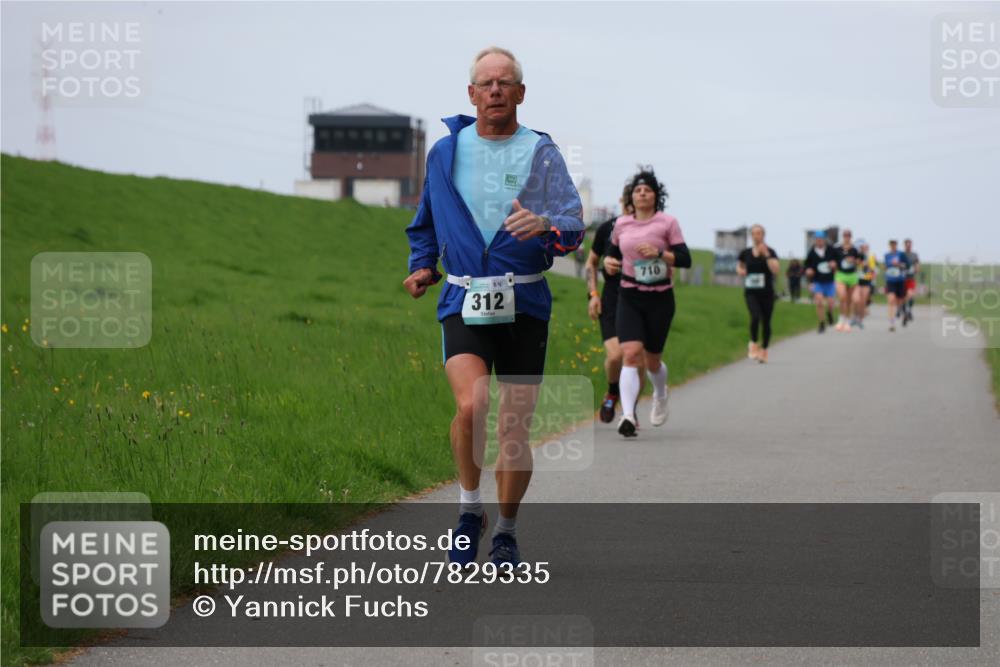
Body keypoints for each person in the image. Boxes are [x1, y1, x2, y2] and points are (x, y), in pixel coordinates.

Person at [403, 47, 584, 567]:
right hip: (463, 296)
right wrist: (424, 266)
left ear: (521, 94)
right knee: (471, 405)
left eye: (506, 83)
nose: (496, 90)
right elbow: (426, 224)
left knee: (513, 430)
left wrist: (548, 226)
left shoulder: (542, 153)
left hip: (524, 299)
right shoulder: (445, 152)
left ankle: (505, 529)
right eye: (487, 83)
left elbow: (573, 224)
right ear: (471, 94)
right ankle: (468, 510)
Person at [607, 168, 692, 438]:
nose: (642, 193)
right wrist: (608, 264)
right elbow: (611, 256)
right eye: (637, 190)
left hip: (660, 298)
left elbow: (685, 258)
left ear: (656, 196)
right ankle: (628, 414)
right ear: (631, 197)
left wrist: (659, 253)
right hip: (630, 295)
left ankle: (660, 394)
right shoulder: (621, 225)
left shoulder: (667, 223)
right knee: (631, 353)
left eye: (647, 190)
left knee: (653, 361)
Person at [586, 185, 642, 423]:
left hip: (641, 300)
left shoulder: (649, 230)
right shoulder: (607, 228)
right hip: (611, 300)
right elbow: (591, 263)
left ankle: (630, 411)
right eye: (627, 202)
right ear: (621, 201)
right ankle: (612, 392)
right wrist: (593, 294)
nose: (630, 206)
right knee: (616, 355)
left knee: (637, 358)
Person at [737, 224, 780, 363]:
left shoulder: (771, 252)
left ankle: (764, 350)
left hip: (767, 292)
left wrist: (766, 255)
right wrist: (741, 271)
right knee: (755, 316)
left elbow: (775, 270)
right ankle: (753, 344)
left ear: (763, 235)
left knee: (766, 322)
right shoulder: (746, 252)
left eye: (759, 233)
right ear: (751, 236)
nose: (756, 236)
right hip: (751, 292)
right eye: (754, 233)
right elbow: (740, 266)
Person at [803, 231, 837, 333]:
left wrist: (834, 264)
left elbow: (838, 261)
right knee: (819, 302)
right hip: (818, 281)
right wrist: (808, 271)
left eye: (821, 239)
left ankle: (830, 313)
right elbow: (807, 266)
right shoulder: (812, 252)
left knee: (830, 302)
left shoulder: (831, 250)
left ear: (824, 240)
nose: (819, 241)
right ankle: (821, 323)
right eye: (817, 240)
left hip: (830, 281)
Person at [833, 229, 862, 331]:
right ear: (843, 237)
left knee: (849, 300)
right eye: (845, 235)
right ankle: (841, 319)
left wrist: (853, 260)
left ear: (851, 237)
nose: (846, 237)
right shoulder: (837, 249)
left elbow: (859, 262)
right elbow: (834, 262)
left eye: (848, 235)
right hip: (841, 275)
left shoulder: (854, 249)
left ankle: (846, 321)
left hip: (852, 275)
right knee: (842, 297)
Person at [883, 239, 911, 332]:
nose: (893, 246)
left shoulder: (901, 254)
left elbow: (907, 265)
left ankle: (904, 313)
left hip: (900, 280)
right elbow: (885, 266)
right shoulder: (887, 255)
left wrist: (899, 265)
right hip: (890, 281)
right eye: (891, 244)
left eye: (894, 244)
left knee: (899, 301)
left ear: (896, 245)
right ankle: (892, 323)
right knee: (891, 300)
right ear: (889, 245)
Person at [856, 239, 877, 328]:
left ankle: (860, 319)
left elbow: (872, 269)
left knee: (863, 300)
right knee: (856, 299)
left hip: (867, 279)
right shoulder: (855, 255)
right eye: (861, 247)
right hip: (856, 279)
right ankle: (855, 315)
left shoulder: (871, 256)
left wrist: (868, 265)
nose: (863, 248)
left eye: (864, 246)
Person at [903, 238, 920, 324]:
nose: (908, 246)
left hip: (911, 278)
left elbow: (917, 265)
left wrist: (916, 269)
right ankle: (904, 310)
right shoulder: (901, 255)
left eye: (910, 245)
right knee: (903, 297)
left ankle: (908, 310)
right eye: (907, 245)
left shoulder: (914, 255)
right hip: (902, 279)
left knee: (910, 294)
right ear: (904, 245)